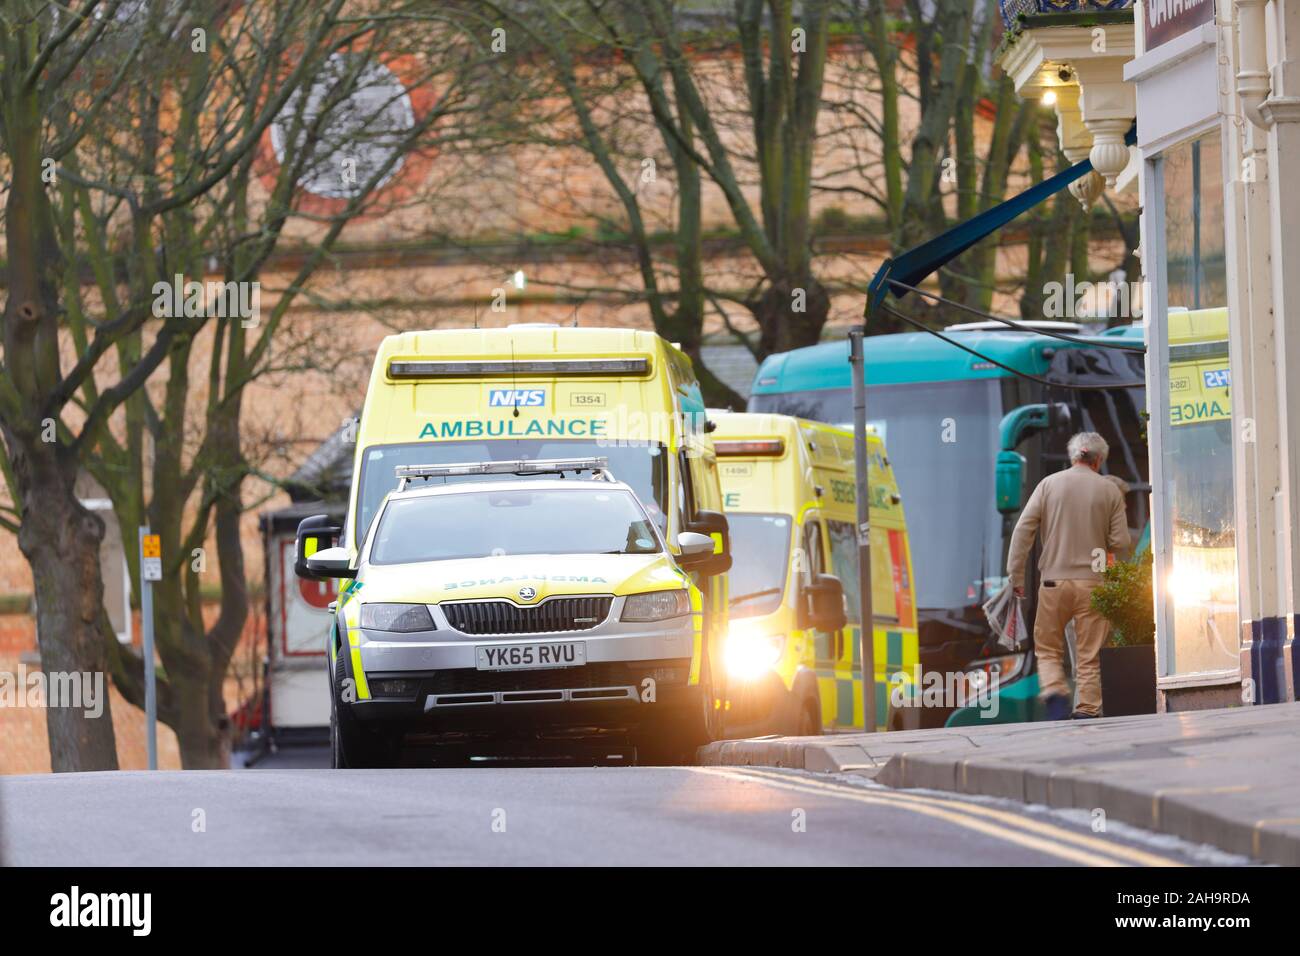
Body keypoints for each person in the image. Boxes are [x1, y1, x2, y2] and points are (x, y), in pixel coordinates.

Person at [1007, 432, 1130, 720]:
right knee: (1090, 654)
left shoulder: (1048, 485)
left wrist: (1016, 578)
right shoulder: (1109, 490)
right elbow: (1121, 542)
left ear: (1073, 456)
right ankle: (1086, 709)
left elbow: (1023, 531)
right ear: (1098, 460)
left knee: (1048, 648)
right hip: (1093, 584)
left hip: (1053, 582)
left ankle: (1054, 690)